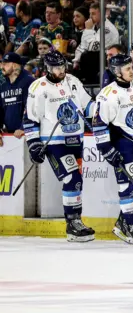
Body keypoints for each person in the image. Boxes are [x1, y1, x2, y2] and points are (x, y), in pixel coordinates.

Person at [23, 50, 95, 241]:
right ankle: (72, 224)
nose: (61, 70)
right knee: (71, 177)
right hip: (55, 142)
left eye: (63, 66)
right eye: (56, 67)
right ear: (47, 68)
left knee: (76, 181)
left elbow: (89, 106)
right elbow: (30, 119)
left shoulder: (72, 81)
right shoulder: (38, 88)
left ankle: (76, 221)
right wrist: (33, 144)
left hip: (76, 141)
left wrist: (103, 112)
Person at [93, 54, 133, 244]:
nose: (131, 70)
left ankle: (122, 222)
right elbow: (100, 125)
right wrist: (107, 150)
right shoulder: (107, 95)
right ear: (117, 72)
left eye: (131, 67)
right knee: (128, 184)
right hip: (123, 143)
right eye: (127, 69)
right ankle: (130, 224)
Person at [0, 52, 34, 146]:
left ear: (15, 65)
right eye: (2, 64)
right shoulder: (3, 85)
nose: (2, 67)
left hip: (27, 133)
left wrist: (24, 127)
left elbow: (32, 107)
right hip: (10, 134)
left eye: (5, 64)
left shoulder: (29, 81)